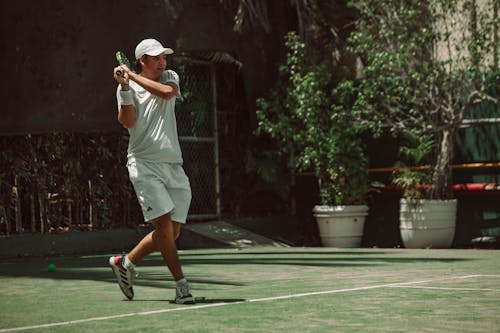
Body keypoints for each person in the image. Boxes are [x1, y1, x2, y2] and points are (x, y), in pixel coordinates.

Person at [109, 38, 194, 304]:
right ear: (143, 59)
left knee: (172, 233)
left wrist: (131, 75)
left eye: (163, 57)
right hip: (144, 165)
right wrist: (125, 87)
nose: (162, 62)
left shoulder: (169, 77)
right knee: (165, 229)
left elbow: (167, 94)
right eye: (156, 57)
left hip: (173, 167)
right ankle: (182, 286)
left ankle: (126, 263)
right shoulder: (128, 87)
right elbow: (128, 122)